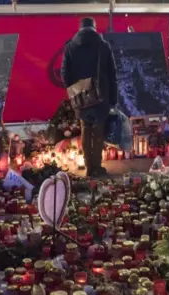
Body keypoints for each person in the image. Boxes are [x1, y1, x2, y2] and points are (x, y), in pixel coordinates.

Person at [61, 17, 118, 178]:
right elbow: (113, 74)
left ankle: (88, 166)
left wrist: (75, 88)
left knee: (85, 128)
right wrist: (113, 98)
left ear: (80, 29)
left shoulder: (70, 47)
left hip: (80, 97)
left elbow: (64, 73)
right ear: (94, 28)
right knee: (98, 131)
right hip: (101, 96)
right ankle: (97, 167)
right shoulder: (103, 46)